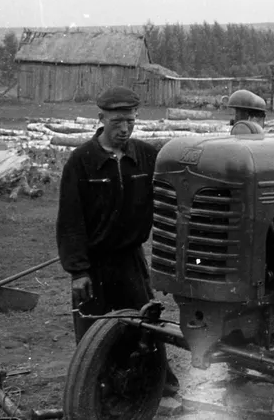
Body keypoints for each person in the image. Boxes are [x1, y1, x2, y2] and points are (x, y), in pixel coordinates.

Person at [56, 85, 179, 395]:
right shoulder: (81, 161)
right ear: (101, 119)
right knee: (93, 334)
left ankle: (155, 382)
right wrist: (78, 271)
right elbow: (70, 220)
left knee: (145, 323)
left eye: (130, 121)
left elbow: (170, 199)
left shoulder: (146, 157)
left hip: (130, 260)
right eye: (117, 122)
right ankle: (97, 390)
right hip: (93, 265)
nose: (124, 129)